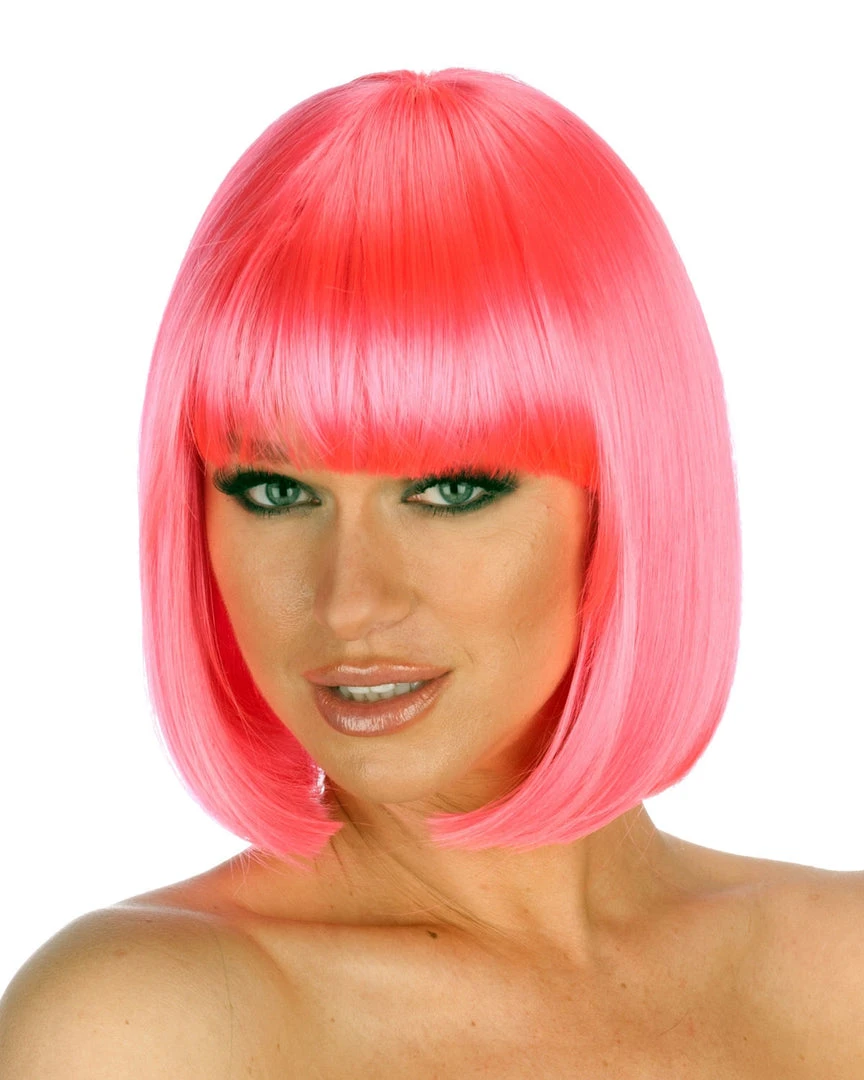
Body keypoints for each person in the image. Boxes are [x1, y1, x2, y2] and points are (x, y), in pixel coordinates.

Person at [1, 67, 861, 1078]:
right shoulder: (141, 1030)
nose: (350, 601)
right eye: (275, 490)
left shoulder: (841, 971)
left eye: (450, 490)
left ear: (627, 501)